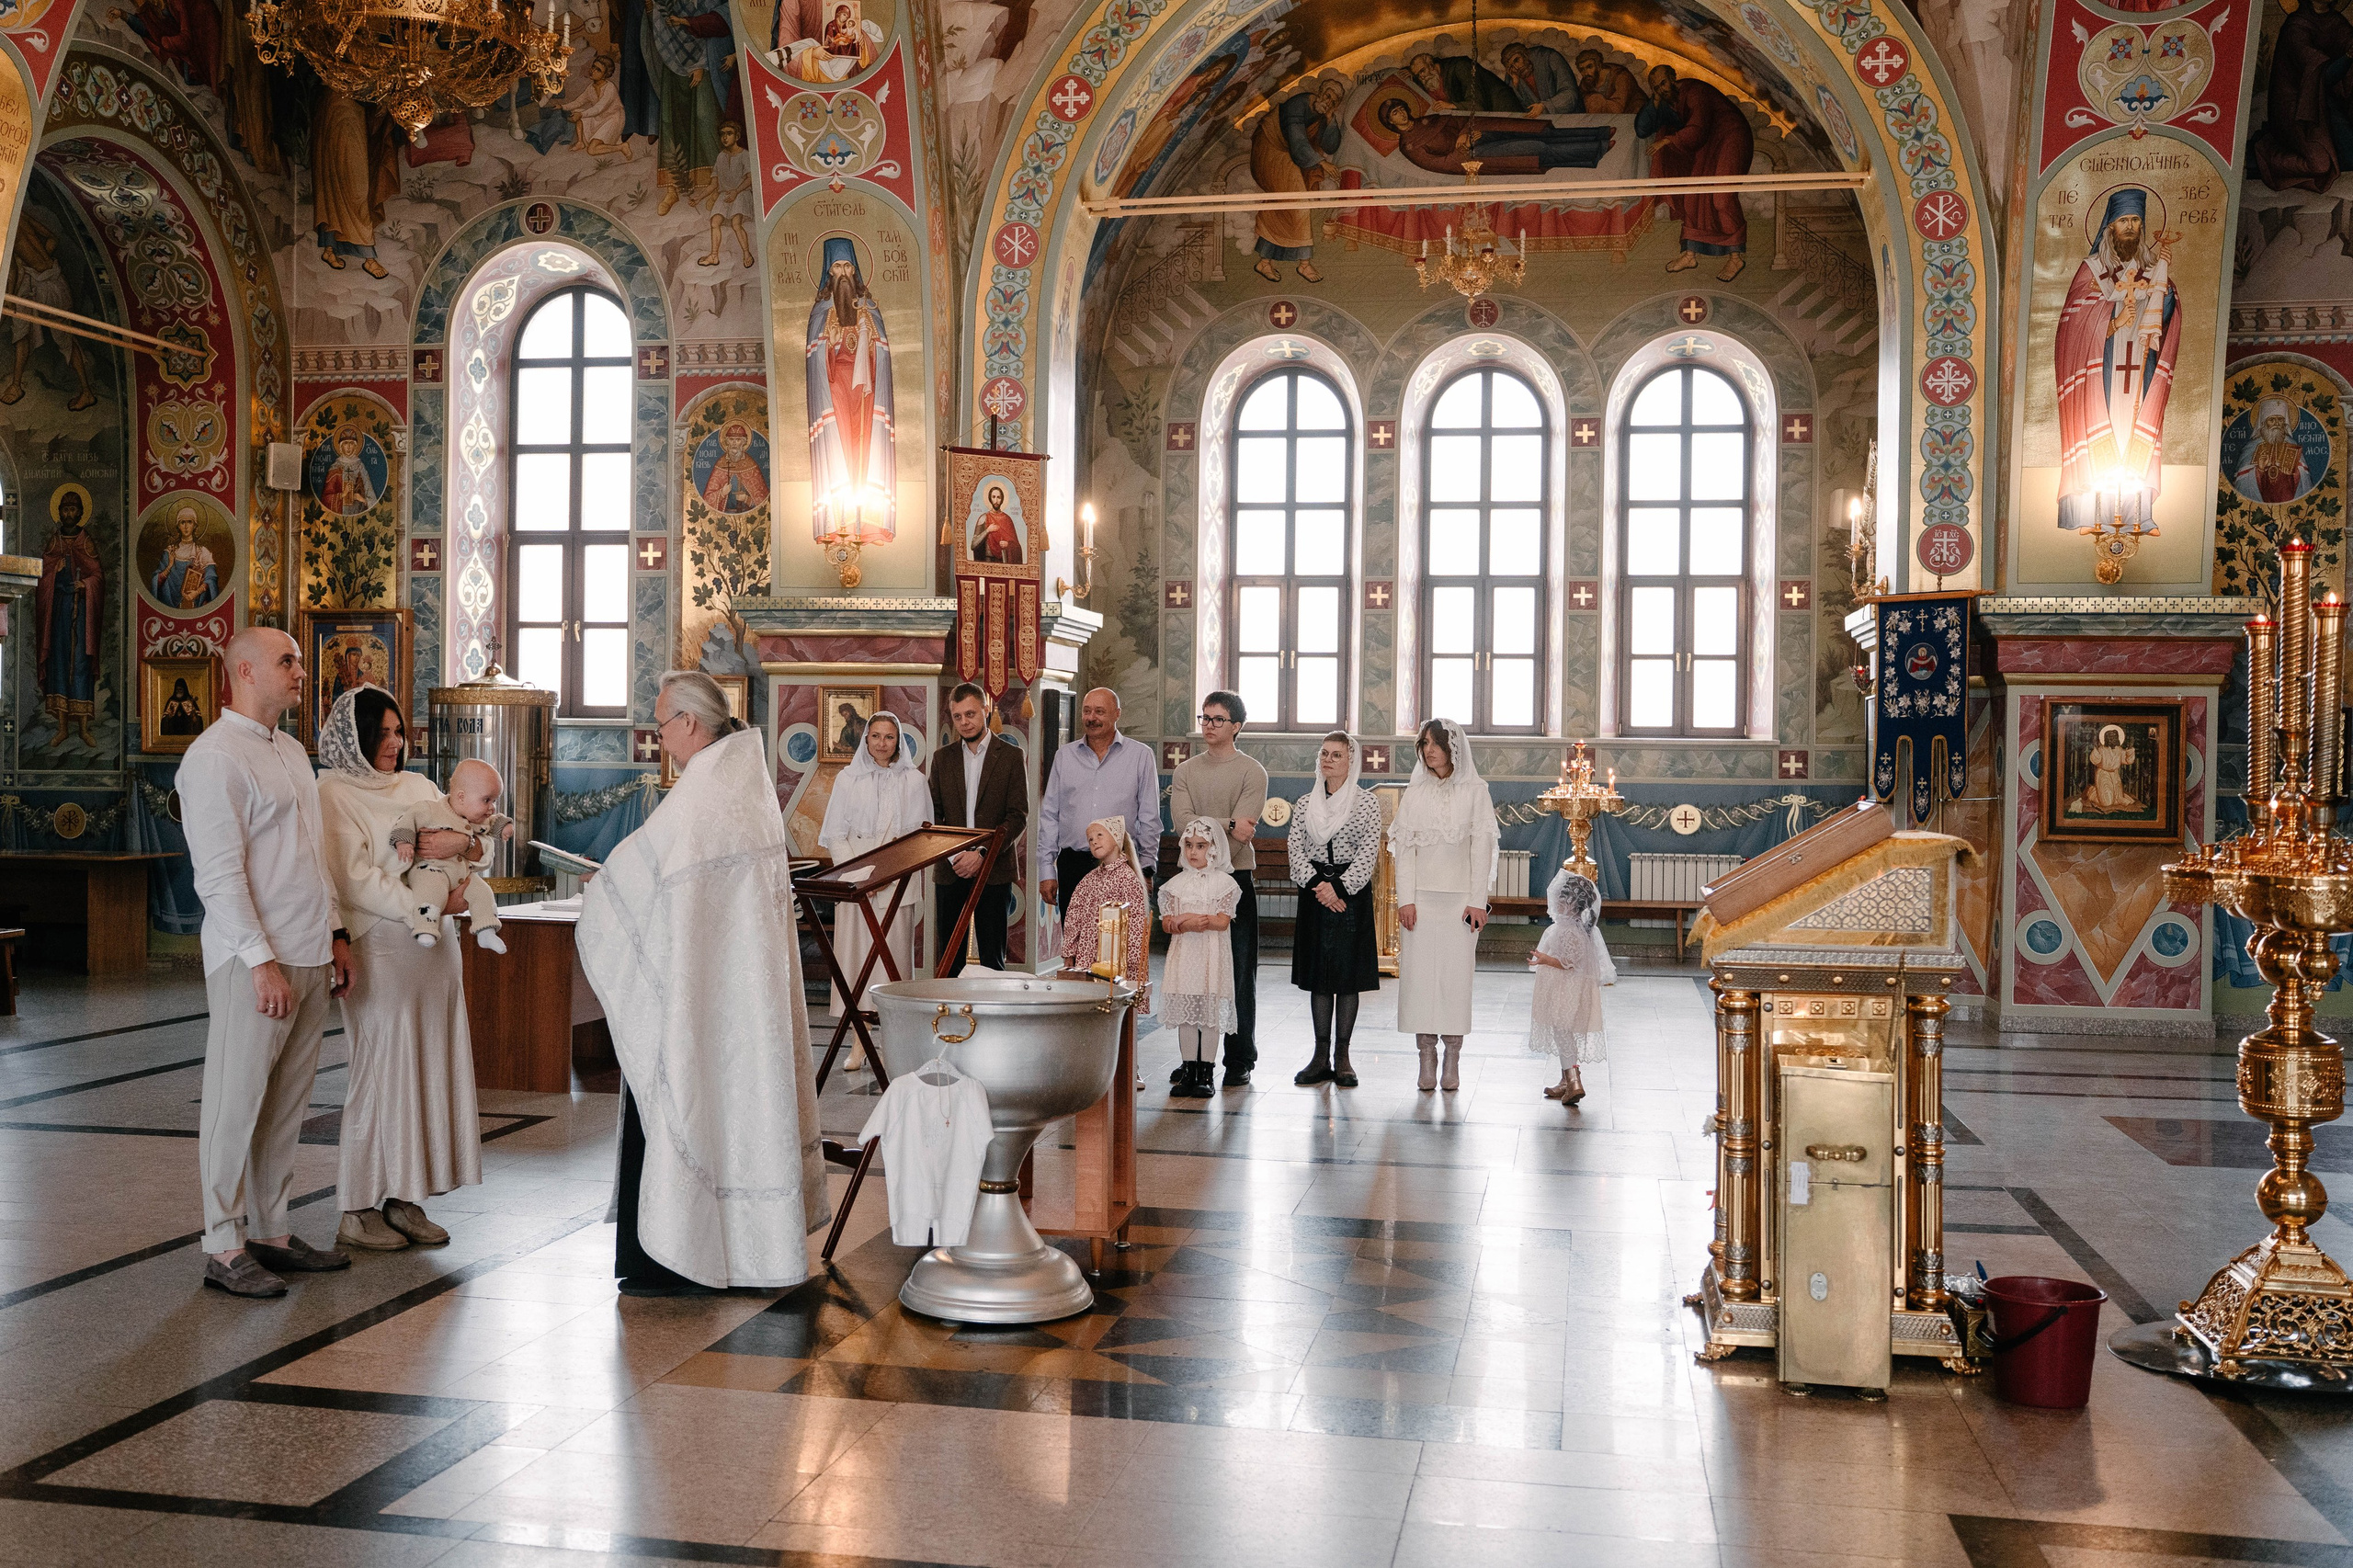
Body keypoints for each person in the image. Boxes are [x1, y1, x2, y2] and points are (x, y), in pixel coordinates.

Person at [577, 670, 829, 1295]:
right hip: (735, 996)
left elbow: (647, 871)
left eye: (662, 725)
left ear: (688, 722)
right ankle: (748, 1242)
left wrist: (606, 889)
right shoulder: (741, 778)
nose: (661, 740)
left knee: (690, 1094)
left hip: (703, 998)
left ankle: (679, 1251)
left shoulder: (707, 788)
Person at [181, 627, 355, 1297]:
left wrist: (337, 935)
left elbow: (315, 857)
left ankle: (272, 1231)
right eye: (288, 661)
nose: (302, 671)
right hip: (255, 962)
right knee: (235, 1103)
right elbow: (219, 876)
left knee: (286, 1106)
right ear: (245, 671)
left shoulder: (288, 750)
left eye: (302, 661)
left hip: (308, 951)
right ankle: (223, 1245)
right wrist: (260, 961)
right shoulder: (214, 757)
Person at [316, 685, 486, 1254]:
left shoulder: (417, 786)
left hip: (435, 949)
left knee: (426, 1068)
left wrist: (468, 847)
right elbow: (354, 876)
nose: (394, 743)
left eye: (397, 732)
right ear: (356, 738)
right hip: (381, 945)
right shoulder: (333, 791)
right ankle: (356, 1208)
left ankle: (406, 1197)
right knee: (380, 1071)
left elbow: (462, 837)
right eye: (382, 733)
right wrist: (426, 904)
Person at [2055, 188, 2179, 537]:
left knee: (2136, 432)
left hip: (2141, 366)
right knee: (2103, 428)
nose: (2130, 227)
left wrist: (2164, 292)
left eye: (2136, 220)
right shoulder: (2092, 270)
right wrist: (2111, 321)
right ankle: (2092, 514)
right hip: (2103, 367)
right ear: (2109, 226)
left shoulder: (2154, 269)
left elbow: (2167, 318)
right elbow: (2072, 324)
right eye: (2123, 220)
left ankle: (2139, 515)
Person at [1391, 718, 1497, 1093]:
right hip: (1420, 902)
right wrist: (1405, 899)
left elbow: (1481, 849)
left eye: (1436, 743)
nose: (1429, 750)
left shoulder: (1475, 790)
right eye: (1424, 744)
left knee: (1454, 980)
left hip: (1460, 905)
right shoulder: (1414, 792)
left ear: (1454, 747)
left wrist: (1477, 901)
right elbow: (1404, 852)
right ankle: (1426, 1057)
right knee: (1419, 981)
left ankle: (1452, 1058)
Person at [1169, 690, 1267, 1087]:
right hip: (1190, 883)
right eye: (1204, 717)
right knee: (1192, 972)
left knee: (1238, 971)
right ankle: (1195, 1060)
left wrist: (1210, 824)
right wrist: (1225, 824)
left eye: (1217, 719)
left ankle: (1239, 1057)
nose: (1208, 725)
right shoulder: (1186, 771)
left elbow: (1243, 833)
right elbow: (1182, 826)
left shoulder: (1251, 772)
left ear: (1236, 727)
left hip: (1233, 880)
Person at [817, 710, 930, 1019]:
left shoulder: (915, 780)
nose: (882, 743)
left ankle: (890, 1036)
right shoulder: (847, 778)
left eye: (889, 737)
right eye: (876, 736)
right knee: (854, 962)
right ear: (866, 739)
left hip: (897, 886)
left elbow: (917, 838)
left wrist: (885, 875)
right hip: (856, 886)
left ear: (899, 742)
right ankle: (857, 1036)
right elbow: (836, 835)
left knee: (892, 962)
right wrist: (862, 879)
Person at [1289, 732, 1382, 1087]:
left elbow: (1368, 853)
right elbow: (1295, 850)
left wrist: (1338, 888)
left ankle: (1342, 1056)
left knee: (1346, 977)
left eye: (1337, 755)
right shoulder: (1303, 804)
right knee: (1319, 977)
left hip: (1350, 895)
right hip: (1315, 893)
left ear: (1351, 761)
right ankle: (1319, 1055)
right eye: (1324, 754)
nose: (1328, 760)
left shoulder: (1366, 803)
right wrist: (1319, 888)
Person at [1038, 687, 1161, 920]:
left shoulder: (1140, 756)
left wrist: (1145, 868)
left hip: (1122, 865)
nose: (1091, 718)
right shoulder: (1064, 756)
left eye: (1100, 711)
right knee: (1074, 944)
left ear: (1117, 714)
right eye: (1087, 711)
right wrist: (1046, 870)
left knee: (1117, 945)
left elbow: (1149, 818)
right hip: (1073, 864)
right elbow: (1049, 816)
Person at [931, 682, 1027, 974]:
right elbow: (935, 817)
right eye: (958, 716)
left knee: (991, 959)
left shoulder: (1010, 756)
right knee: (949, 960)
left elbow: (1017, 815)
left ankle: (990, 1020)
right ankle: (946, 1019)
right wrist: (955, 856)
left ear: (986, 710)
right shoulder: (942, 758)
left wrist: (983, 853)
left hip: (994, 870)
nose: (964, 722)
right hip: (951, 870)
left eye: (970, 714)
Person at [1638, 64, 1755, 280]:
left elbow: (1698, 129)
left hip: (1731, 137)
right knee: (1692, 197)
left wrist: (1669, 140)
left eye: (1663, 83)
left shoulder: (1695, 91)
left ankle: (1736, 257)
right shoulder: (1668, 102)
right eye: (1656, 87)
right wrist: (1654, 102)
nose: (1662, 89)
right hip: (1707, 144)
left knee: (1722, 198)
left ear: (1673, 77)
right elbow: (1643, 128)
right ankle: (1690, 254)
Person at [392, 758, 514, 952]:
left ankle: (486, 930)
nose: (492, 807)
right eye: (486, 800)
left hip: (461, 876)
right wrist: (404, 842)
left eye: (494, 801)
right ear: (462, 797)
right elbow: (406, 822)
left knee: (483, 892)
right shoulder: (429, 809)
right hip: (430, 869)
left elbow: (494, 823)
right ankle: (425, 928)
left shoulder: (477, 817)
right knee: (431, 890)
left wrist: (505, 827)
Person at [1159, 819, 1240, 1100]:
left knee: (1209, 1016)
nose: (1194, 852)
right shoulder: (1175, 884)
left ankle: (1206, 1073)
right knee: (1187, 1016)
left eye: (1201, 846)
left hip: (1211, 956)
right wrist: (1178, 922)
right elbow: (1167, 922)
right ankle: (1189, 1072)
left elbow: (1221, 921)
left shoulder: (1224, 883)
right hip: (1185, 957)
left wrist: (1190, 919)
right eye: (1190, 846)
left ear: (1214, 849)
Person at [1529, 867, 1613, 1105]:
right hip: (1563, 988)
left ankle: (1574, 1081)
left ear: (1572, 904)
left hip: (1567, 990)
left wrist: (1545, 960)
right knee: (1562, 1032)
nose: (1555, 904)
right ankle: (1566, 1081)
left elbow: (1569, 962)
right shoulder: (1569, 927)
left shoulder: (1571, 931)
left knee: (1563, 1032)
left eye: (1560, 900)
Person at [1250, 78, 1346, 283]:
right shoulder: (1298, 104)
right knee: (1300, 206)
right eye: (1328, 95)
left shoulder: (1322, 114)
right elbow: (1298, 141)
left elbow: (1331, 146)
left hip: (1289, 154)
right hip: (1270, 149)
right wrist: (1322, 164)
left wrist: (1330, 119)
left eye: (1334, 101)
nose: (1329, 102)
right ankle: (1304, 264)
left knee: (1282, 205)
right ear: (1320, 91)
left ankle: (1264, 262)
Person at [1375, 97, 1614, 176]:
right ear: (1390, 123)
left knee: (1545, 132)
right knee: (1537, 148)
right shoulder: (1409, 145)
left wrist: (1463, 133)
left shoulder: (1427, 119)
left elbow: (1457, 120)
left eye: (1400, 108)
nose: (1401, 113)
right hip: (1473, 154)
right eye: (1394, 113)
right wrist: (1462, 147)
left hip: (1478, 133)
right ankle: (1597, 148)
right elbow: (1441, 165)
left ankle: (1598, 132)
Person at [34, 484, 101, 751]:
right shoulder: (54, 542)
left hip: (82, 613)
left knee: (81, 664)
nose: (69, 513)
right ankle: (62, 728)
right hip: (59, 613)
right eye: (65, 508)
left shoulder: (86, 541)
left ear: (80, 512)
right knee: (59, 665)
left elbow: (98, 576)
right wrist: (54, 574)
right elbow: (42, 578)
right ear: (60, 512)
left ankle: (84, 729)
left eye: (73, 508)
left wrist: (86, 585)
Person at [1058, 817, 1151, 1009]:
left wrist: (1131, 961)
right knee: (1090, 1005)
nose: (1094, 841)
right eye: (1090, 839)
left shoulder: (1128, 879)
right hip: (1087, 955)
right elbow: (1073, 916)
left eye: (1099, 835)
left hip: (1118, 958)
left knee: (1117, 1004)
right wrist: (1069, 953)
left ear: (1116, 837)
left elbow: (1136, 924)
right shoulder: (1089, 879)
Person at [2237, 399, 2310, 505]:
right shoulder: (2252, 447)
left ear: (2285, 423)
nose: (2276, 423)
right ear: (2263, 423)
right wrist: (2259, 470)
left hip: (2289, 500)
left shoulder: (2292, 445)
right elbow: (2242, 481)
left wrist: (2294, 471)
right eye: (2271, 420)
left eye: (2280, 419)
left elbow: (2304, 479)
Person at [1502, 41, 1583, 113]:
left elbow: (1570, 94)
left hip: (1570, 119)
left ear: (1524, 54)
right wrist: (1515, 85)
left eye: (1516, 60)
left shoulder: (1550, 57)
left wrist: (1545, 106)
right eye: (1511, 66)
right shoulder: (1512, 77)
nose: (1516, 67)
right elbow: (1508, 109)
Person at [1575, 49, 1645, 115]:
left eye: (1589, 67)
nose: (1586, 73)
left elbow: (1618, 108)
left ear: (1599, 65)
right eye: (1582, 70)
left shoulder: (1621, 76)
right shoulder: (1587, 81)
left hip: (1633, 116)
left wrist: (1596, 101)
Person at [970, 483, 1023, 562]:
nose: (996, 500)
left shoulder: (1007, 519)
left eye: (999, 497)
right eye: (993, 497)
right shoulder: (983, 518)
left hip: (1002, 561)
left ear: (1002, 499)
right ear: (990, 498)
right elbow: (973, 545)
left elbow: (1017, 546)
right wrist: (988, 530)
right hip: (987, 561)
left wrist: (1008, 545)